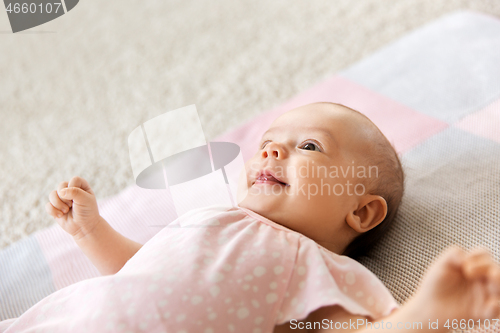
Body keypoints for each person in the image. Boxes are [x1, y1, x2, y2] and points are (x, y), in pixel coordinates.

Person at [2, 102, 498, 333]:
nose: (272, 150)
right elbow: (140, 272)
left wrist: (426, 313)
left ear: (361, 212)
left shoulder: (318, 268)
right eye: (266, 145)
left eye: (308, 146)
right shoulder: (209, 217)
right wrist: (91, 231)